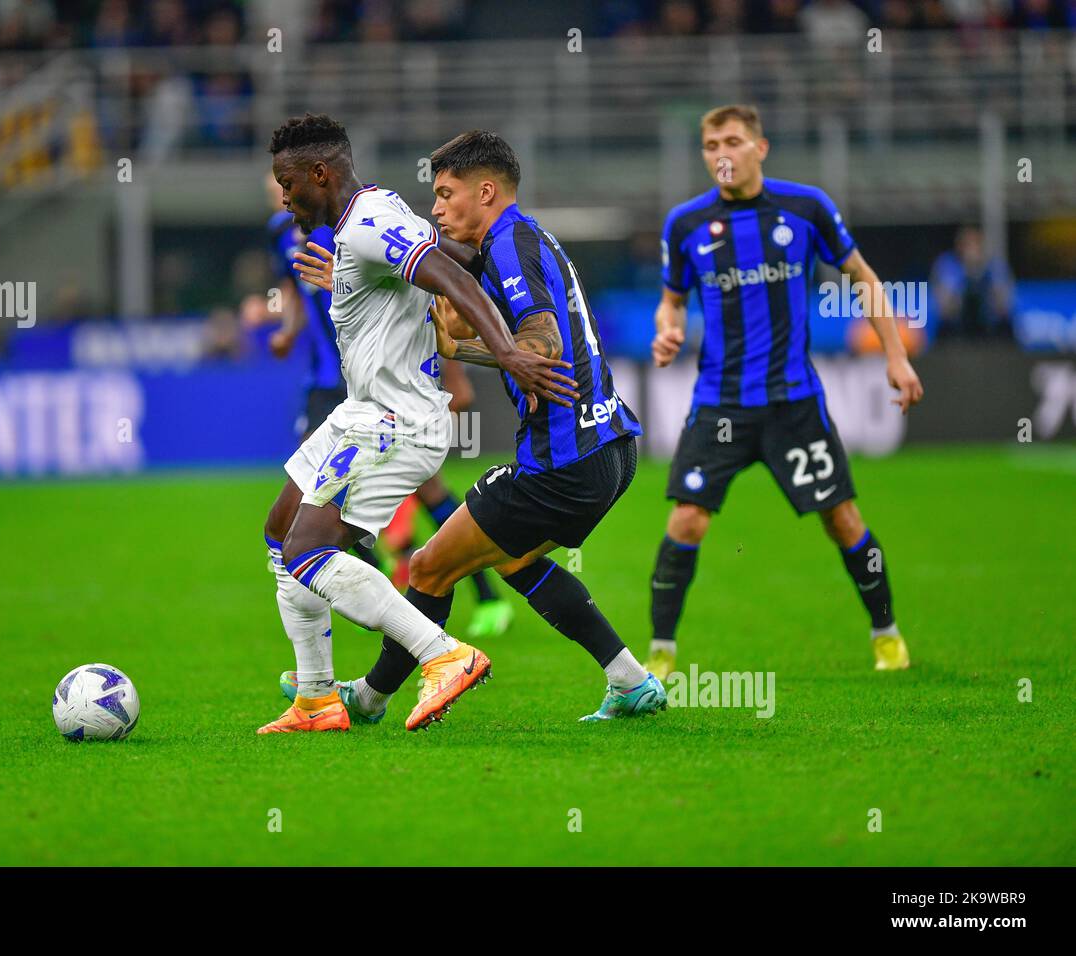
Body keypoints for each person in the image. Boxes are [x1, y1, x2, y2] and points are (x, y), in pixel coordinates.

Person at [290, 130, 667, 723]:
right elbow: (531, 345)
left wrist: (511, 351)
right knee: (512, 560)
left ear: (485, 191)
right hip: (612, 449)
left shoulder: (511, 245)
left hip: (563, 459)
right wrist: (466, 351)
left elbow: (539, 338)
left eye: (445, 195)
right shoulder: (522, 241)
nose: (435, 211)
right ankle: (629, 679)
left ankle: (368, 697)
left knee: (429, 565)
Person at [258, 114, 577, 734]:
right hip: (359, 410)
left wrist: (506, 350)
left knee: (308, 551)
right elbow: (426, 269)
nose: (285, 196)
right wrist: (348, 282)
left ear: (319, 173)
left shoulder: (371, 221)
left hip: (394, 419)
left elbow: (449, 274)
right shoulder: (360, 220)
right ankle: (318, 699)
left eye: (288, 181)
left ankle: (444, 654)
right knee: (281, 535)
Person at [647, 104, 924, 677]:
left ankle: (887, 633)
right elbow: (672, 299)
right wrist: (667, 329)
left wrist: (895, 357)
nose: (720, 153)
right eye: (710, 144)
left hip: (792, 402)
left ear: (760, 148)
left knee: (842, 519)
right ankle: (661, 654)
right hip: (719, 402)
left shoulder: (806, 207)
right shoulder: (685, 224)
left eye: (732, 141)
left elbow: (863, 278)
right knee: (686, 522)